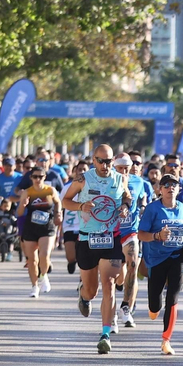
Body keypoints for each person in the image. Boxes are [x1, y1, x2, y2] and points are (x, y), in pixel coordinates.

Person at [62, 145, 132, 354]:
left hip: (110, 238)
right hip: (87, 239)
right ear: (93, 160)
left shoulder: (120, 179)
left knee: (109, 284)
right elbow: (65, 201)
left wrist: (125, 206)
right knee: (92, 291)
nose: (104, 165)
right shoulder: (83, 179)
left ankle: (105, 334)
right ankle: (83, 296)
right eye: (100, 161)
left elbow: (127, 196)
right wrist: (80, 206)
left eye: (108, 161)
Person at [137, 173, 183, 356]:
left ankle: (166, 340)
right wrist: (156, 236)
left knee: (173, 297)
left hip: (178, 256)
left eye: (174, 185)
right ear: (160, 189)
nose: (171, 188)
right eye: (166, 185)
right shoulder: (153, 209)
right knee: (155, 304)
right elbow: (141, 234)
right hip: (156, 257)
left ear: (178, 189)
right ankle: (153, 308)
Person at [113, 156, 154, 328]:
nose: (124, 171)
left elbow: (148, 205)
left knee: (132, 266)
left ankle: (126, 308)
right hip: (112, 232)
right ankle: (111, 310)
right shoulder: (109, 181)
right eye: (120, 168)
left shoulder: (141, 183)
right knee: (117, 276)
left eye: (126, 168)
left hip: (131, 230)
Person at [18, 168, 60, 297]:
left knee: (44, 254)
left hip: (47, 227)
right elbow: (19, 213)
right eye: (35, 177)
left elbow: (58, 202)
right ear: (31, 178)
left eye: (40, 177)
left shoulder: (50, 190)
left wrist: (59, 213)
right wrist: (23, 205)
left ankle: (43, 275)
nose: (37, 180)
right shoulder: (27, 192)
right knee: (32, 260)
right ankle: (34, 286)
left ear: (44, 177)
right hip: (31, 227)